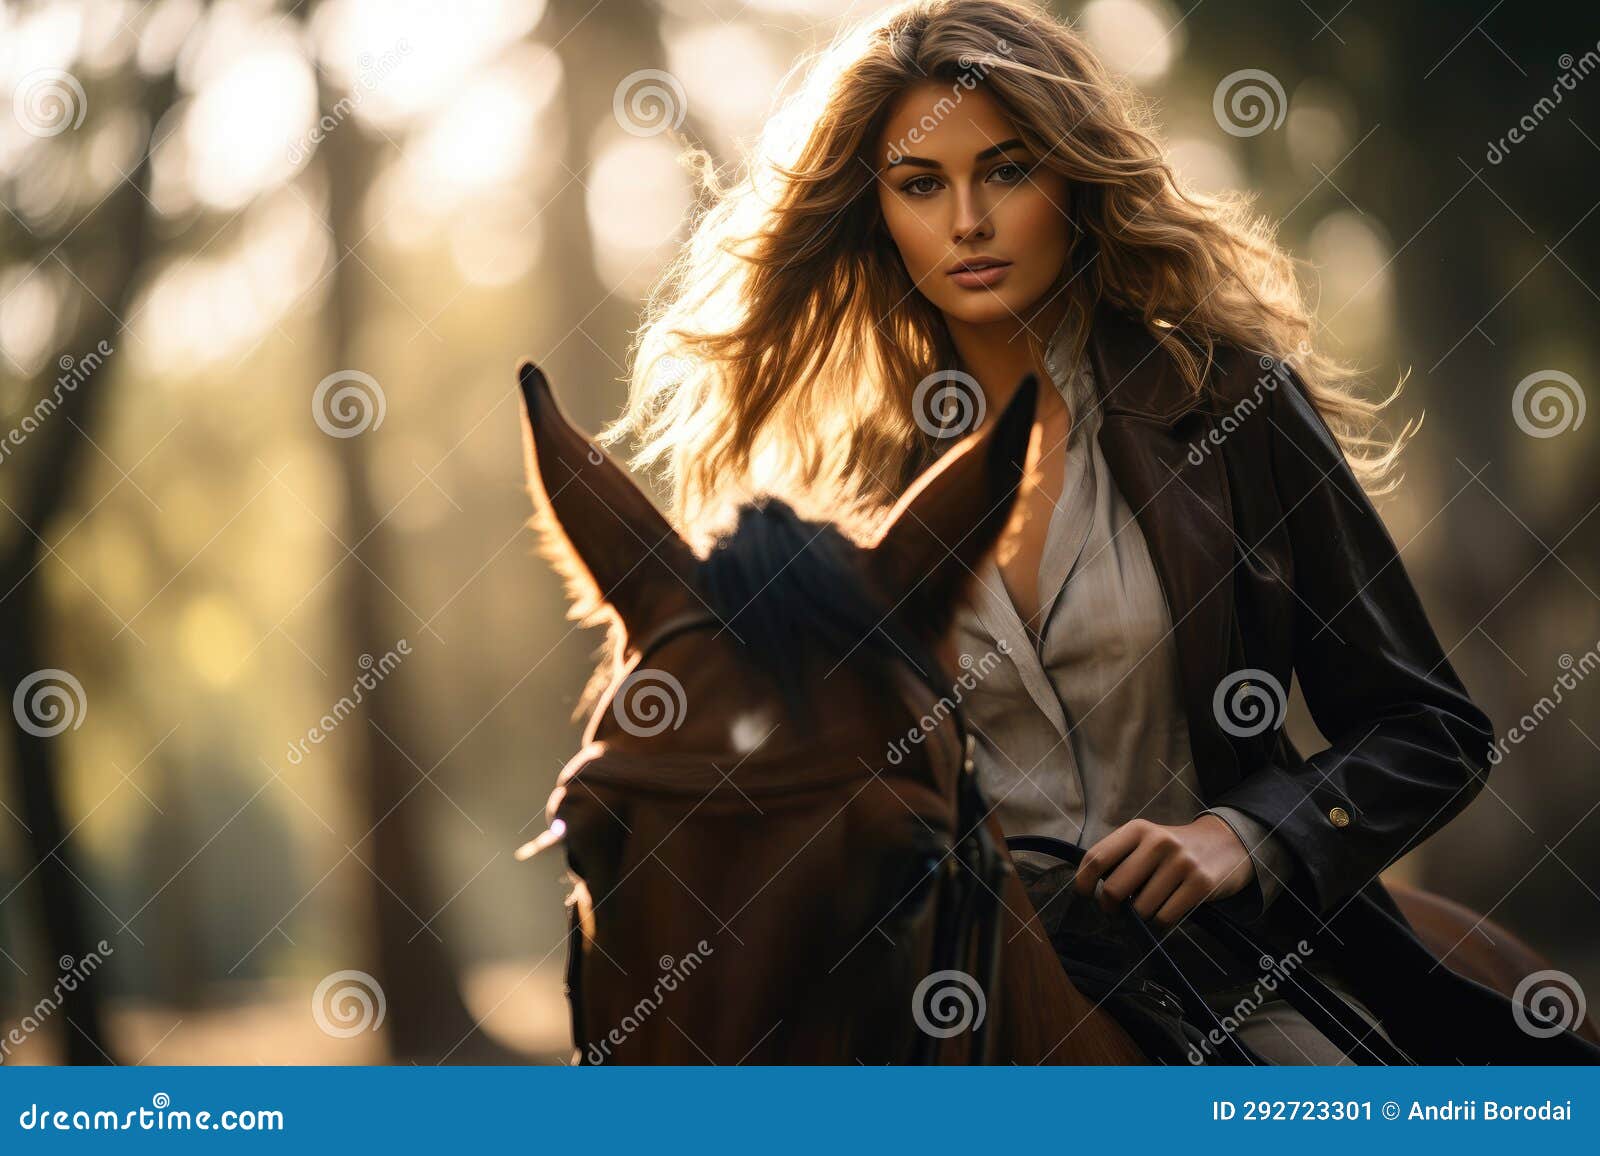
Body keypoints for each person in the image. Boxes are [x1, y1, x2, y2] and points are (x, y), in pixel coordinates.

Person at [596, 0, 1597, 1063]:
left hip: (1224, 970)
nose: (967, 220)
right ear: (875, 210)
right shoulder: (832, 502)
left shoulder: (1228, 409)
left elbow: (1428, 729)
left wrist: (1244, 836)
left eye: (1008, 170)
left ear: (1073, 179)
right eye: (922, 185)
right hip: (916, 998)